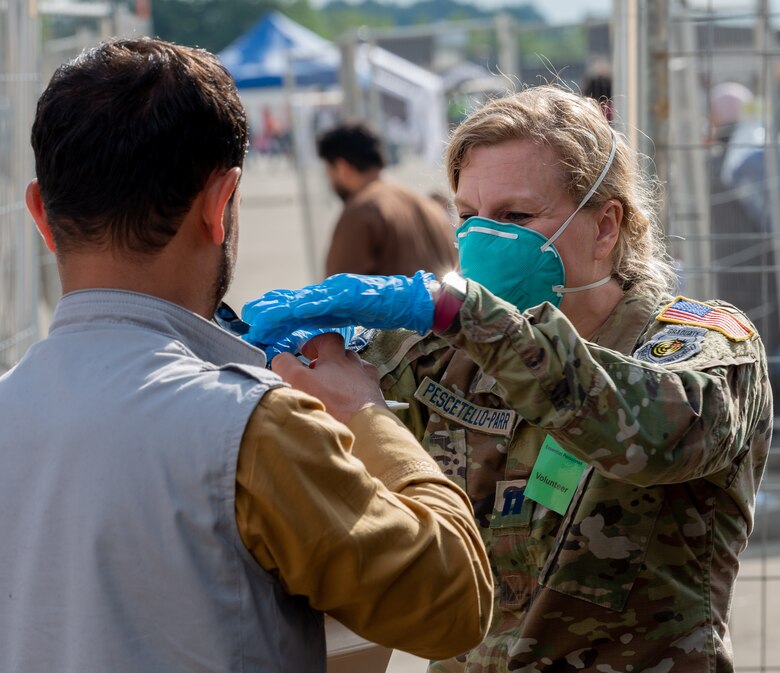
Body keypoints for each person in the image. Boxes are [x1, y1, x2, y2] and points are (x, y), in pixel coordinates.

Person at [0, 37, 494, 672]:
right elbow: (453, 603)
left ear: (40, 213)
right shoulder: (251, 426)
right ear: (221, 203)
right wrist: (366, 410)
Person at [242, 85, 773, 672]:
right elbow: (319, 425)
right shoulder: (438, 353)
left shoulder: (704, 346)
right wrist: (273, 361)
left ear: (604, 227)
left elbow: (649, 434)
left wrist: (462, 313)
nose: (484, 238)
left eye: (515, 216)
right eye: (469, 216)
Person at [317, 121, 458, 278]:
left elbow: (338, 294)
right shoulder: (428, 207)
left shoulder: (362, 210)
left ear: (342, 168)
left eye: (329, 172)